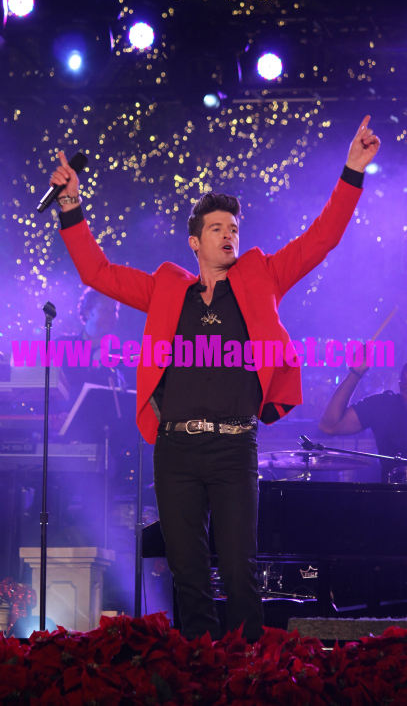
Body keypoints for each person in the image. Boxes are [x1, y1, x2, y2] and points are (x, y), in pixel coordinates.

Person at [50, 115, 379, 641]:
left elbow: (321, 240)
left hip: (233, 448)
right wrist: (71, 206)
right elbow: (98, 273)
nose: (228, 235)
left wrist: (352, 172)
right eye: (217, 229)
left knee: (240, 570)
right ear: (195, 243)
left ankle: (249, 673)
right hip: (176, 451)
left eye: (233, 229)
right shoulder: (165, 288)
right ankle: (200, 671)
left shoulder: (262, 276)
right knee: (188, 574)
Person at [319, 359, 407, 483]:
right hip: (393, 493)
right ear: (400, 386)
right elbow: (330, 426)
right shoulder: (385, 405)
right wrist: (355, 374)